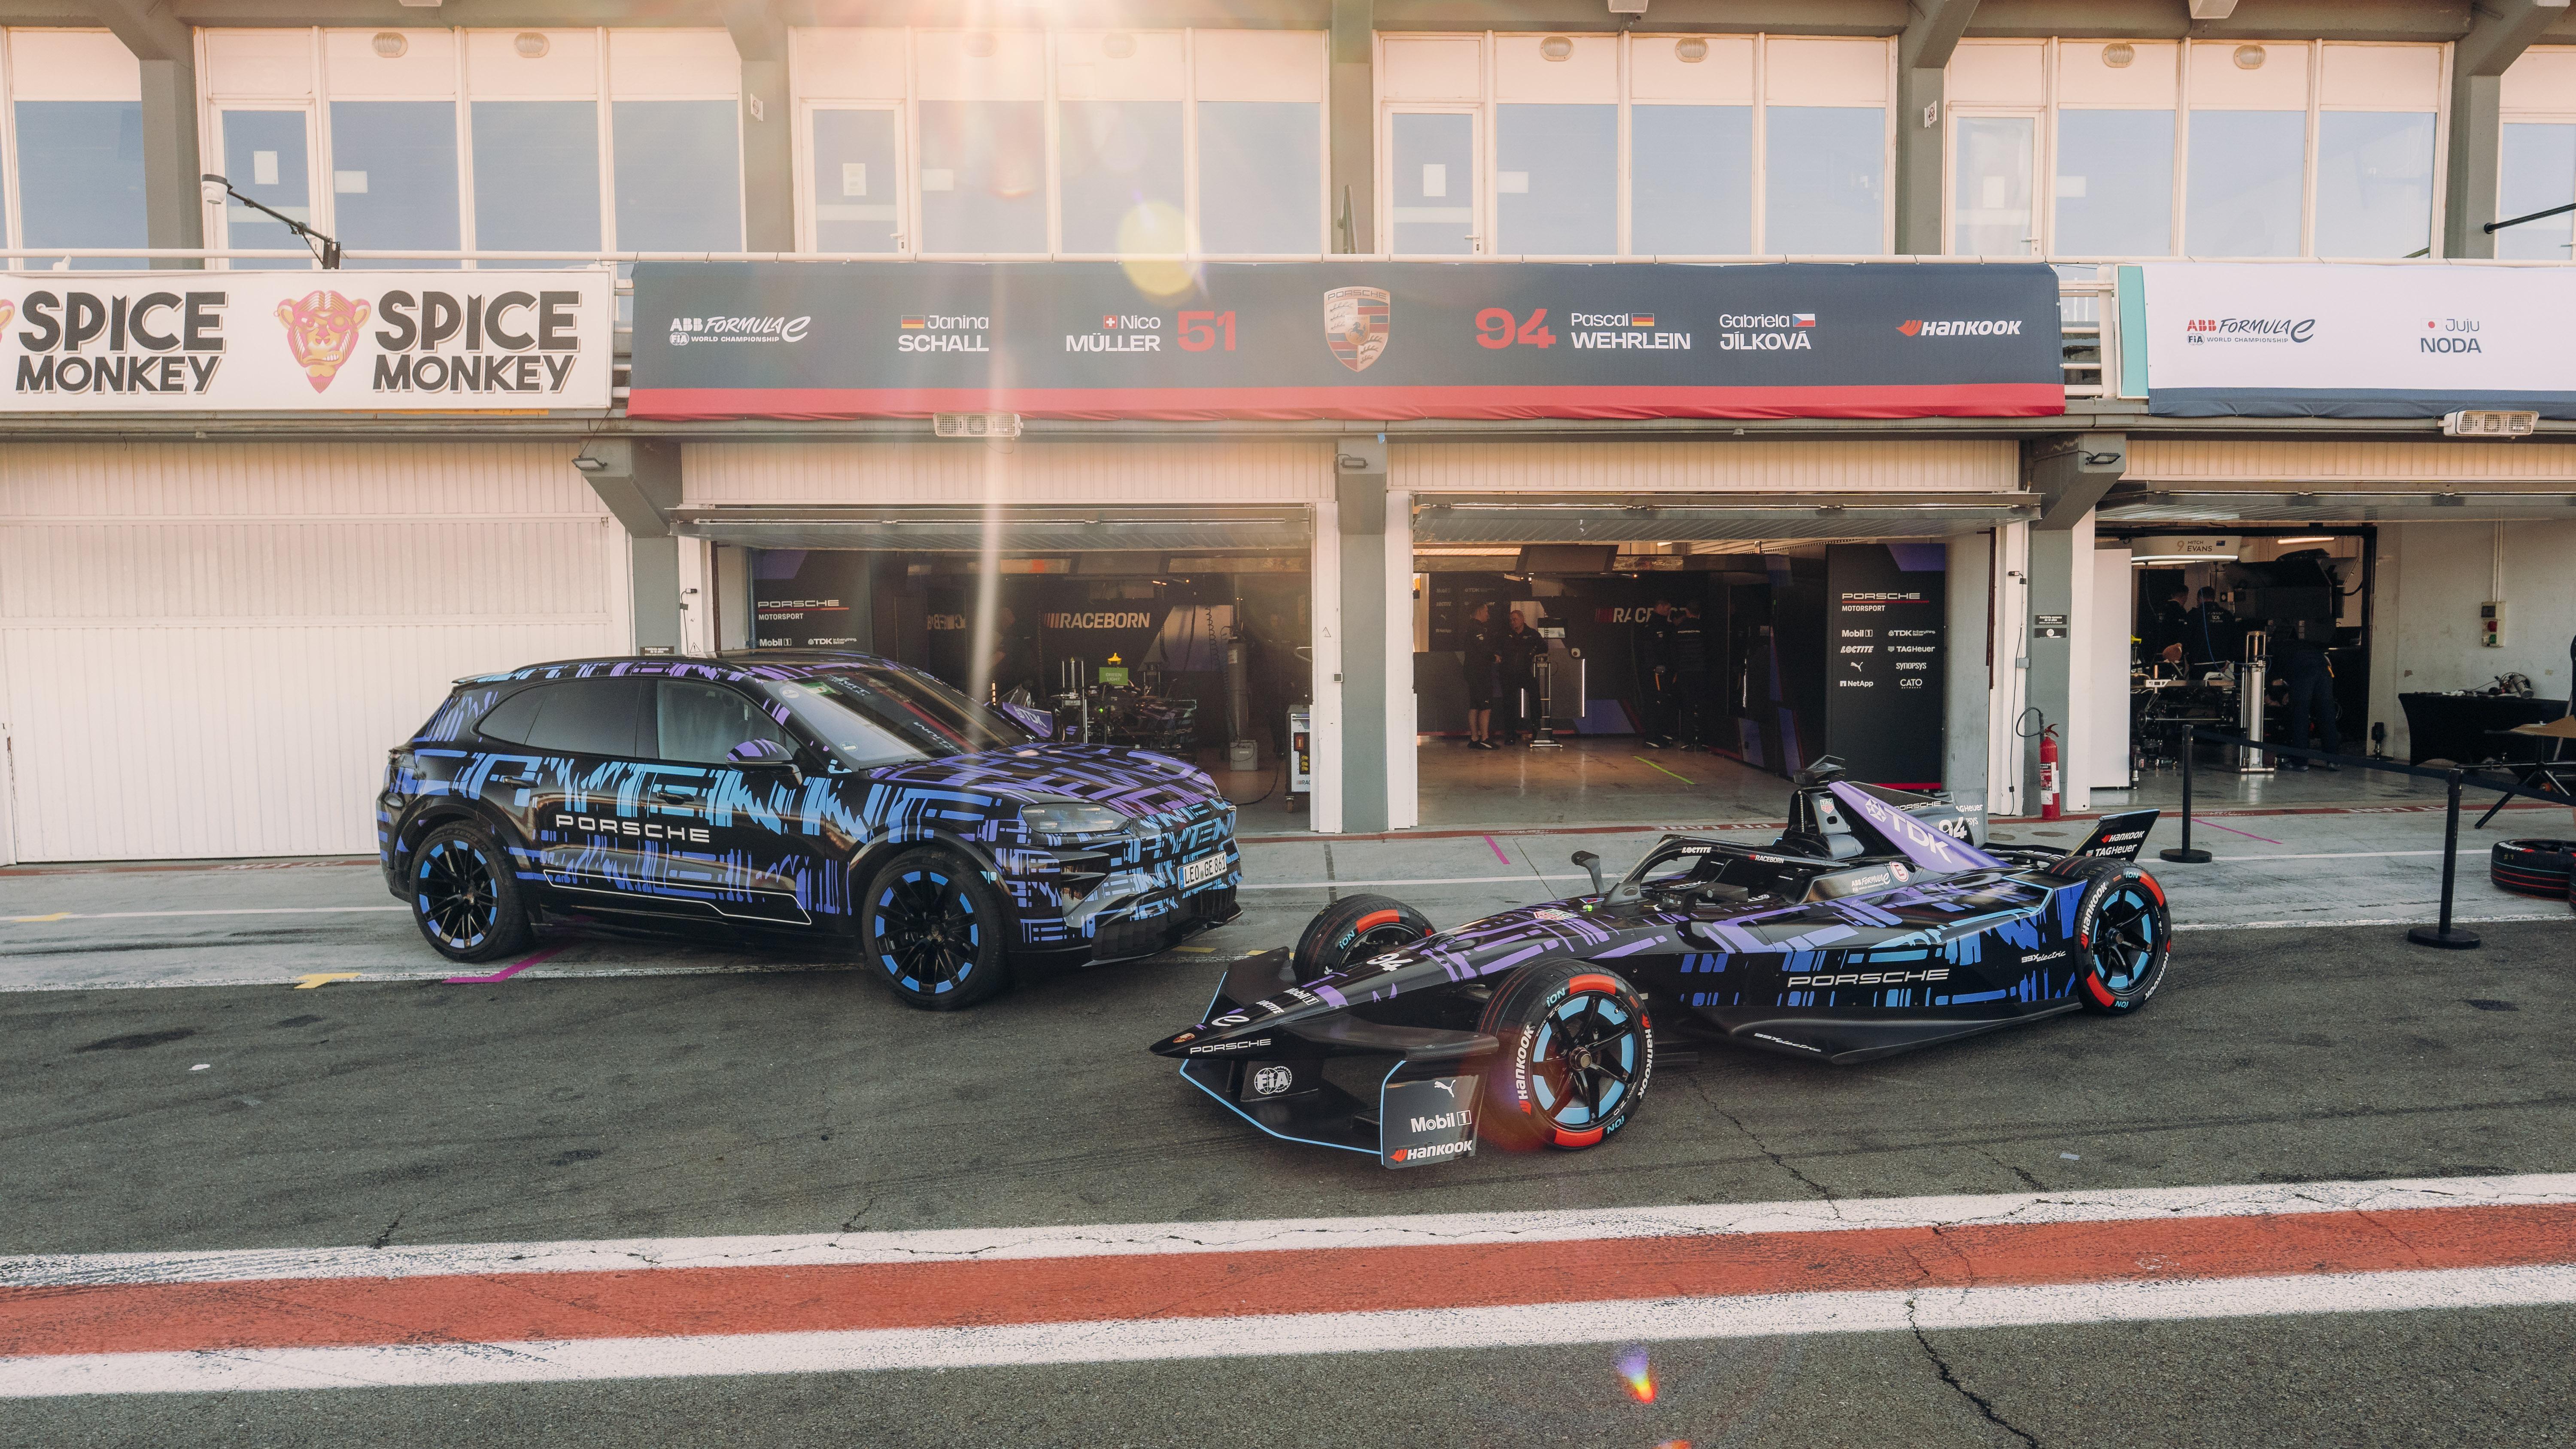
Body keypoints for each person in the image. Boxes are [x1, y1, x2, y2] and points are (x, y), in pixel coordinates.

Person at [2275, 624, 2340, 771]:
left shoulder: (2277, 651)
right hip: (2324, 670)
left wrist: (2278, 697)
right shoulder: (2304, 645)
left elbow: (2276, 680)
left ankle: (2300, 762)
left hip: (2304, 672)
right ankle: (2333, 761)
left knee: (2300, 716)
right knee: (2327, 715)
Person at [1637, 598, 1680, 748]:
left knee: (1663, 703)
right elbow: (1648, 649)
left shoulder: (1665, 625)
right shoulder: (1652, 626)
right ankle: (1651, 737)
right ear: (1660, 607)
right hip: (1655, 672)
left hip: (1665, 671)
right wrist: (1655, 666)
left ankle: (1658, 735)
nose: (1669, 612)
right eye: (1667, 609)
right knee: (1655, 702)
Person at [1671, 600, 1712, 750]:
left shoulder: (1680, 628)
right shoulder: (1704, 628)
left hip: (1684, 673)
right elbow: (1710, 650)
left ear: (1687, 612)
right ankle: (1703, 741)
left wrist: (1678, 668)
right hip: (1701, 672)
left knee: (1687, 706)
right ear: (1699, 613)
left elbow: (1674, 651)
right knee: (1703, 705)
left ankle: (1688, 741)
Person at [1498, 609, 1542, 744]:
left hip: (1524, 672)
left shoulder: (1532, 634)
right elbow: (1496, 648)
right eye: (1511, 620)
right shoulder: (1505, 634)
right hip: (1508, 673)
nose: (1513, 622)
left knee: (1535, 692)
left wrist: (1532, 652)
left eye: (1515, 619)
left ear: (1522, 620)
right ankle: (1510, 735)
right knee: (1509, 703)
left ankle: (1536, 728)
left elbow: (1543, 647)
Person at [1462, 602, 1501, 750]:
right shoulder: (1476, 628)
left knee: (1474, 706)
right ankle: (1485, 738)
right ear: (1480, 611)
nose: (1488, 614)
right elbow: (1483, 649)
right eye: (1486, 611)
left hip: (1472, 672)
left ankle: (1474, 738)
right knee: (1486, 706)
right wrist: (1494, 657)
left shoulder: (1470, 626)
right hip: (1480, 672)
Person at [988, 606, 1041, 702]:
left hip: (1017, 681)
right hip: (1023, 678)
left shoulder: (1010, 636)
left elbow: (998, 656)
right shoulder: (1018, 631)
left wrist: (977, 671)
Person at [2184, 586, 2235, 667]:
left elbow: (2187, 637)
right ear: (2214, 598)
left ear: (2201, 598)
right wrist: (2230, 659)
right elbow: (2234, 638)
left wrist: (2188, 655)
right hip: (2221, 662)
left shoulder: (2193, 615)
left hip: (2198, 662)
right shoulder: (2227, 615)